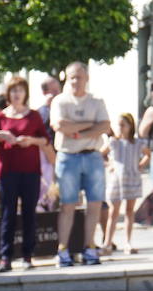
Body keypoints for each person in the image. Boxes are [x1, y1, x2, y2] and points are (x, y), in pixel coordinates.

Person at [0, 76, 49, 272]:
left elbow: (45, 140)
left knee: (30, 212)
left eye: (20, 90)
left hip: (30, 171)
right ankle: (6, 256)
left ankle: (28, 255)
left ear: (25, 93)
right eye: (13, 90)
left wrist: (29, 140)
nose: (17, 94)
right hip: (8, 172)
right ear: (8, 94)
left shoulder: (34, 116)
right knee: (8, 213)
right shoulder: (1, 117)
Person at [52, 62, 111, 266]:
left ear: (87, 78)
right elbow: (59, 125)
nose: (76, 81)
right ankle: (63, 249)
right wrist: (89, 125)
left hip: (93, 155)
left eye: (80, 77)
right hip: (68, 156)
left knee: (94, 203)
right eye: (72, 78)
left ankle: (89, 247)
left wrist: (77, 131)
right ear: (67, 79)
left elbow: (105, 126)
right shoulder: (60, 101)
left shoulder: (96, 101)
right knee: (68, 204)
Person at [102, 113, 146, 255]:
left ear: (130, 126)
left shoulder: (137, 143)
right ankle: (107, 243)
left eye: (123, 125)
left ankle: (128, 242)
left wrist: (140, 165)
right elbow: (100, 154)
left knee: (129, 211)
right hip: (117, 180)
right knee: (113, 212)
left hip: (132, 178)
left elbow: (148, 153)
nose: (120, 128)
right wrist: (109, 164)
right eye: (119, 125)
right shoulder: (113, 142)